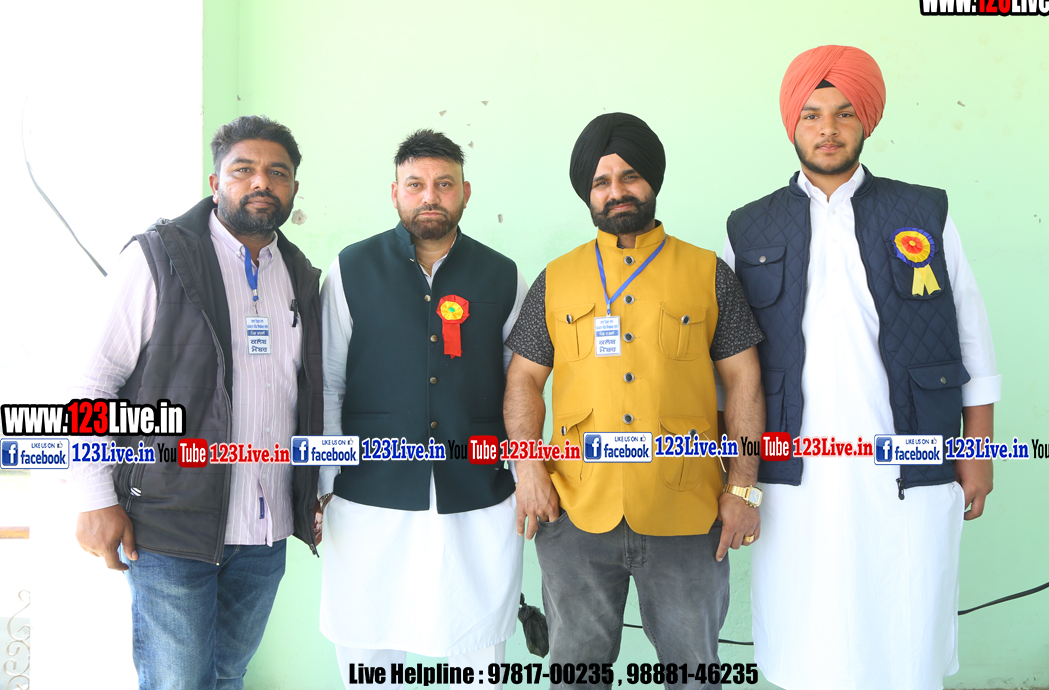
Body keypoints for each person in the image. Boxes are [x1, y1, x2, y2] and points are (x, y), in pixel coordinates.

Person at [723, 45, 999, 690]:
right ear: (792, 123)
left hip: (910, 458)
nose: (828, 128)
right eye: (813, 114)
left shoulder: (923, 213)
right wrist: (736, 477)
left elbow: (972, 337)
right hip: (795, 468)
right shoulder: (747, 226)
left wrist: (979, 452)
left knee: (908, 617)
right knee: (806, 624)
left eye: (845, 113)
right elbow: (729, 363)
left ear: (866, 120)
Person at [505, 112, 766, 690]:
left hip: (687, 512)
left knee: (694, 675)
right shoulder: (557, 279)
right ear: (587, 193)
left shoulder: (708, 273)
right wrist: (528, 469)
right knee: (575, 675)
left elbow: (744, 381)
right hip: (576, 511)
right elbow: (523, 379)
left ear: (652, 181)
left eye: (629, 176)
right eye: (601, 182)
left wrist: (743, 487)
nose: (616, 191)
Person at [72, 115, 323, 690]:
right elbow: (93, 383)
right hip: (172, 528)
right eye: (243, 170)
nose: (261, 182)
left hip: (265, 531)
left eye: (277, 173)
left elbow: (306, 394)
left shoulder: (300, 276)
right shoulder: (160, 257)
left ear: (293, 188)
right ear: (215, 183)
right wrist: (93, 496)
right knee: (178, 683)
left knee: (228, 676)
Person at [318, 129, 528, 689]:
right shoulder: (350, 269)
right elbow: (330, 381)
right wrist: (322, 481)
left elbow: (521, 386)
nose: (429, 196)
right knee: (367, 647)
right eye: (415, 185)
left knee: (478, 649)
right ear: (395, 193)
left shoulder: (503, 274)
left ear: (465, 192)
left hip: (477, 493)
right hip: (369, 494)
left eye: (444, 184)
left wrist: (525, 472)